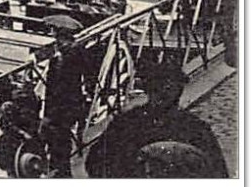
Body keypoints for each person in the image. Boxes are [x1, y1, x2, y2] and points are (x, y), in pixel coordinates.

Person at [85, 64, 228, 178]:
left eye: (168, 89)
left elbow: (96, 165)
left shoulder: (126, 123)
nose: (163, 93)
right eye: (160, 88)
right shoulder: (195, 127)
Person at [41, 16, 99, 177]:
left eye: (57, 35)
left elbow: (87, 74)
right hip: (62, 100)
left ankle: (59, 169)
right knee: (58, 134)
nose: (55, 39)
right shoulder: (67, 52)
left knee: (59, 134)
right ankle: (58, 167)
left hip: (66, 101)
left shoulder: (72, 52)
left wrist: (88, 92)